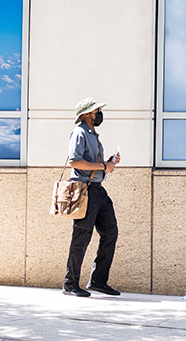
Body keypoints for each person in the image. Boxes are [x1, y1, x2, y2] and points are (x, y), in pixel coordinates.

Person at [63, 97, 122, 297]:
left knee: (110, 232)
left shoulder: (93, 134)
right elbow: (75, 162)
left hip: (98, 190)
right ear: (87, 114)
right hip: (85, 191)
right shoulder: (79, 132)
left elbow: (91, 163)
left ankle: (98, 281)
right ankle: (70, 284)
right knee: (81, 237)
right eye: (97, 111)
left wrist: (108, 162)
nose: (99, 114)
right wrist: (104, 166)